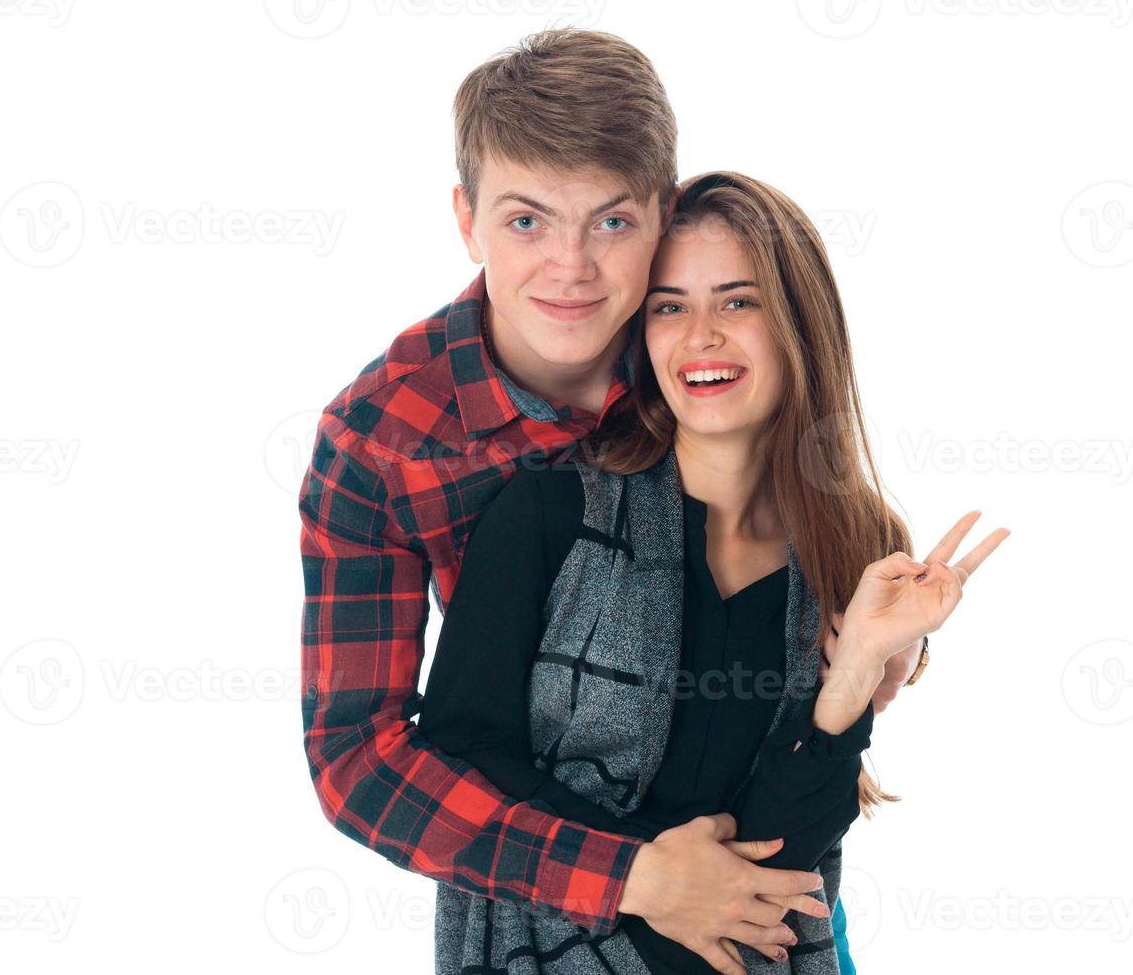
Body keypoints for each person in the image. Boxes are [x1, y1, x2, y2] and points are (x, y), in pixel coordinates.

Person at [298, 30, 877, 971]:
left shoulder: (696, 345)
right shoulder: (382, 439)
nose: (571, 267)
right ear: (466, 219)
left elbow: (816, 508)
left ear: (664, 213)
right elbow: (358, 761)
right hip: (556, 896)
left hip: (769, 871)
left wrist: (875, 652)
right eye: (526, 221)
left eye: (610, 223)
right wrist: (638, 875)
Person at [415, 171, 1010, 973]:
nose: (701, 336)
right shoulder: (549, 512)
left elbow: (791, 854)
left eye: (738, 301)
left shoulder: (859, 544)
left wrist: (855, 674)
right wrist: (653, 880)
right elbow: (461, 764)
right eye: (669, 306)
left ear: (797, 321)